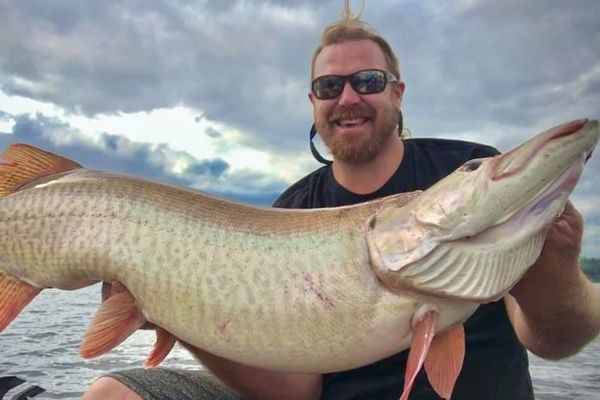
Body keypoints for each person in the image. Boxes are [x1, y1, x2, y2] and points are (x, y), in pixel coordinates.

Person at [83, 3, 600, 400]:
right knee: (111, 393)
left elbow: (554, 340)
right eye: (330, 85)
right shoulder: (288, 213)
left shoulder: (468, 167)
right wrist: (173, 311)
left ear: (397, 93)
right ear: (314, 103)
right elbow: (298, 390)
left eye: (368, 81)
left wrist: (556, 266)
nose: (348, 97)